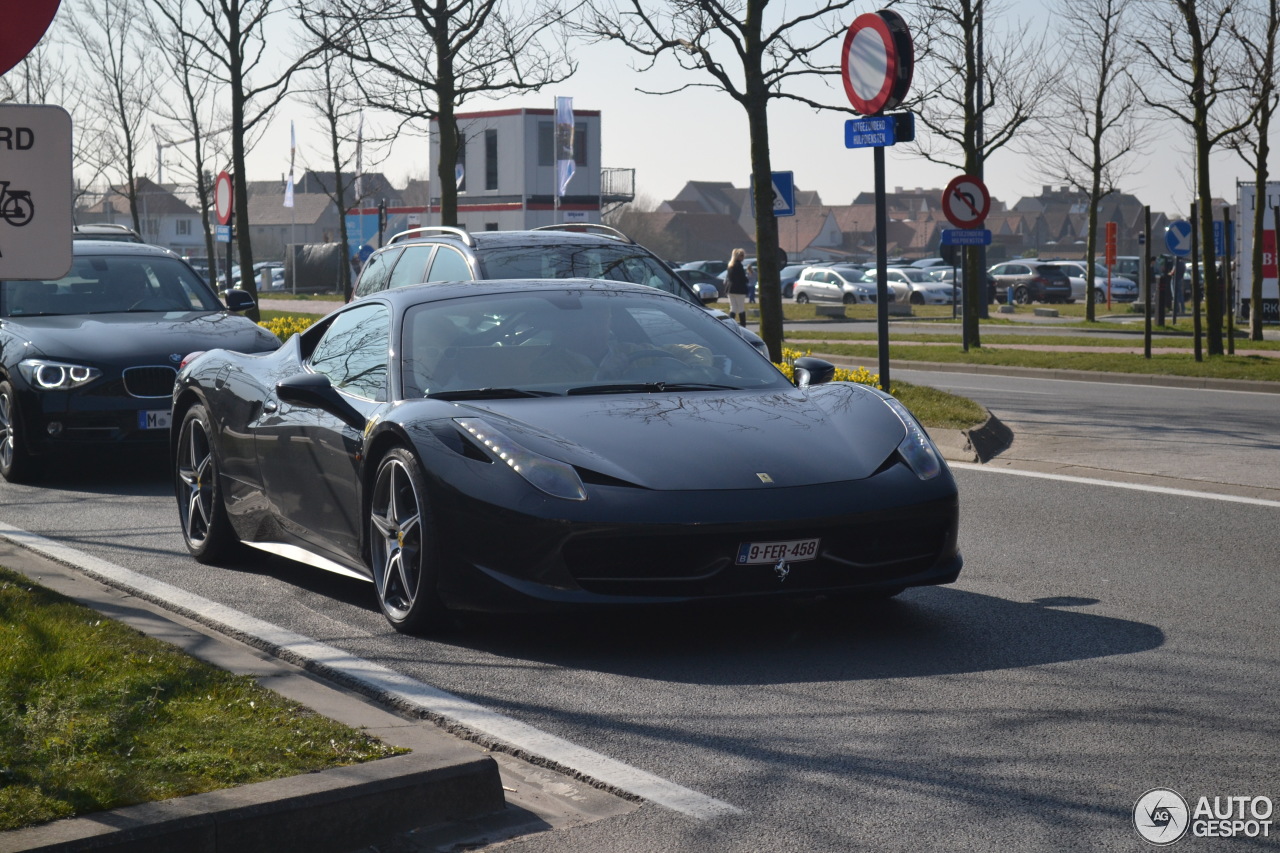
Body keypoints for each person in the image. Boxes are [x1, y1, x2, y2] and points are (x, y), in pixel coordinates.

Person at [725, 248, 749, 326]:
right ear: (738, 256)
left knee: (733, 308)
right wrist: (746, 279)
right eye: (742, 255)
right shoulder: (739, 265)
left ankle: (730, 325)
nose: (743, 257)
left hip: (730, 289)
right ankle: (743, 326)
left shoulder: (730, 265)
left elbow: (729, 277)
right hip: (739, 289)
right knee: (741, 308)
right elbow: (742, 278)